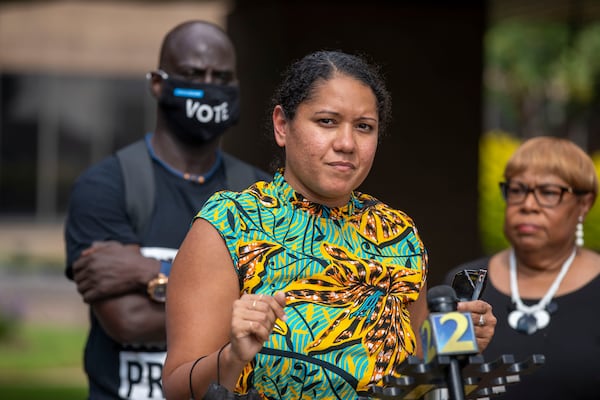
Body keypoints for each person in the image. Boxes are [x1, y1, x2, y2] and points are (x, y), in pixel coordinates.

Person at [162, 50, 497, 400]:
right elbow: (176, 387)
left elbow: (416, 372)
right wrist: (233, 355)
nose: (347, 144)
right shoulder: (230, 223)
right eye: (326, 121)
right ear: (282, 125)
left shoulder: (398, 234)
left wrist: (454, 340)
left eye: (364, 127)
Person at [64, 20, 271, 400]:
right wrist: (238, 309)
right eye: (193, 73)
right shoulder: (107, 185)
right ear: (157, 84)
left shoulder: (260, 193)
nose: (208, 86)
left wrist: (151, 272)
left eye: (221, 77)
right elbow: (126, 320)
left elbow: (287, 310)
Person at [445, 136, 600, 399]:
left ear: (584, 204)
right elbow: (442, 382)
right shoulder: (465, 282)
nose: (528, 205)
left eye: (549, 192)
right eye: (517, 190)